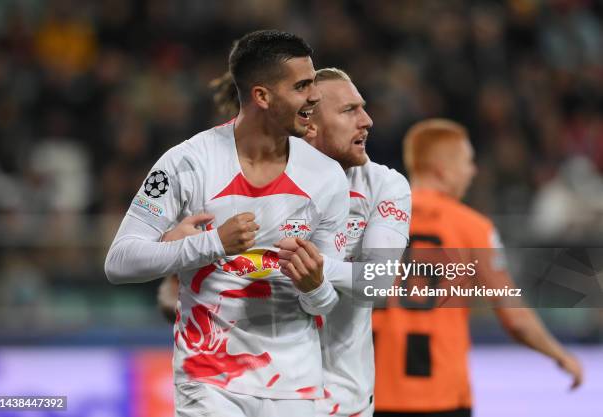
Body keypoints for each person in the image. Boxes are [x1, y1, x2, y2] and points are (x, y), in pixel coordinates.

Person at [105, 30, 350, 417]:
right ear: (262, 96)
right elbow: (119, 262)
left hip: (295, 387)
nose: (315, 97)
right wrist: (212, 244)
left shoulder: (327, 177)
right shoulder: (187, 163)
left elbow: (331, 302)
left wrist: (315, 285)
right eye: (302, 86)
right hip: (208, 382)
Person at [159, 68, 412, 417]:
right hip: (245, 388)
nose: (366, 121)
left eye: (362, 108)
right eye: (349, 111)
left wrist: (306, 267)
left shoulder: (384, 185)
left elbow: (379, 280)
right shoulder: (246, 180)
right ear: (309, 125)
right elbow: (173, 287)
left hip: (343, 400)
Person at [372, 119, 583, 417]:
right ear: (441, 169)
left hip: (373, 390)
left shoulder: (370, 217)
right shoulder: (472, 227)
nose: (473, 171)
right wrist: (559, 354)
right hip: (441, 393)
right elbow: (515, 317)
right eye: (467, 162)